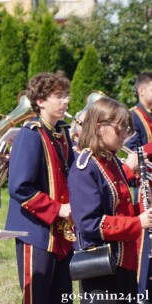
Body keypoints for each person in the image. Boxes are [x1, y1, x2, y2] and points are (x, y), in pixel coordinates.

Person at [69, 96, 152, 303]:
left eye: (127, 129)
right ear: (99, 127)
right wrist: (137, 223)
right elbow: (90, 223)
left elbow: (120, 209)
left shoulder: (112, 160)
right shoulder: (85, 166)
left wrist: (143, 209)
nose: (125, 134)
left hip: (124, 261)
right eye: (120, 129)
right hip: (101, 265)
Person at [5, 71, 75, 304]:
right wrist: (58, 209)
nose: (66, 101)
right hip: (35, 232)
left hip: (61, 234)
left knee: (62, 297)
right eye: (58, 96)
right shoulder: (31, 134)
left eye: (67, 95)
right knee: (38, 298)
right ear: (40, 101)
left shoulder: (61, 132)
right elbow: (19, 187)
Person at [125, 72, 152, 299]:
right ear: (141, 91)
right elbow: (129, 156)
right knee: (144, 250)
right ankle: (140, 294)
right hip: (144, 193)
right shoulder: (133, 117)